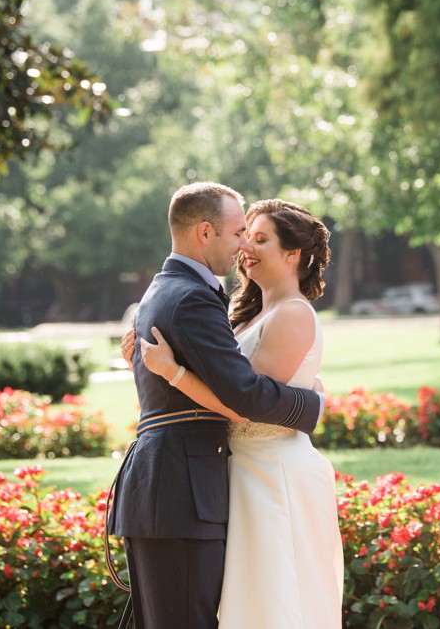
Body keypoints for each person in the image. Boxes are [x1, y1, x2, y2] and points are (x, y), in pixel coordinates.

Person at [107, 183, 324, 629]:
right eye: (241, 232)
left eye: (257, 237)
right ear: (206, 233)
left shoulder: (171, 291)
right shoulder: (194, 298)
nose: (245, 245)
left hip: (224, 480)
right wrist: (312, 405)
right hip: (188, 489)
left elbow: (218, 388)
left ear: (294, 255)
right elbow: (243, 396)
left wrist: (158, 371)